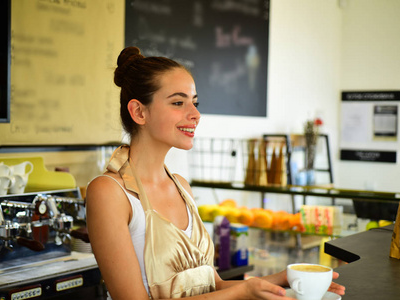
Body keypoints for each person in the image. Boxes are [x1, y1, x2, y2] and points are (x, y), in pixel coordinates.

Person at [86, 46, 345, 299]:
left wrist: (284, 279)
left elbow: (212, 285)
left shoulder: (181, 187)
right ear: (139, 112)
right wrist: (244, 292)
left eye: (195, 103)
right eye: (178, 102)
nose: (195, 114)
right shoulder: (109, 192)